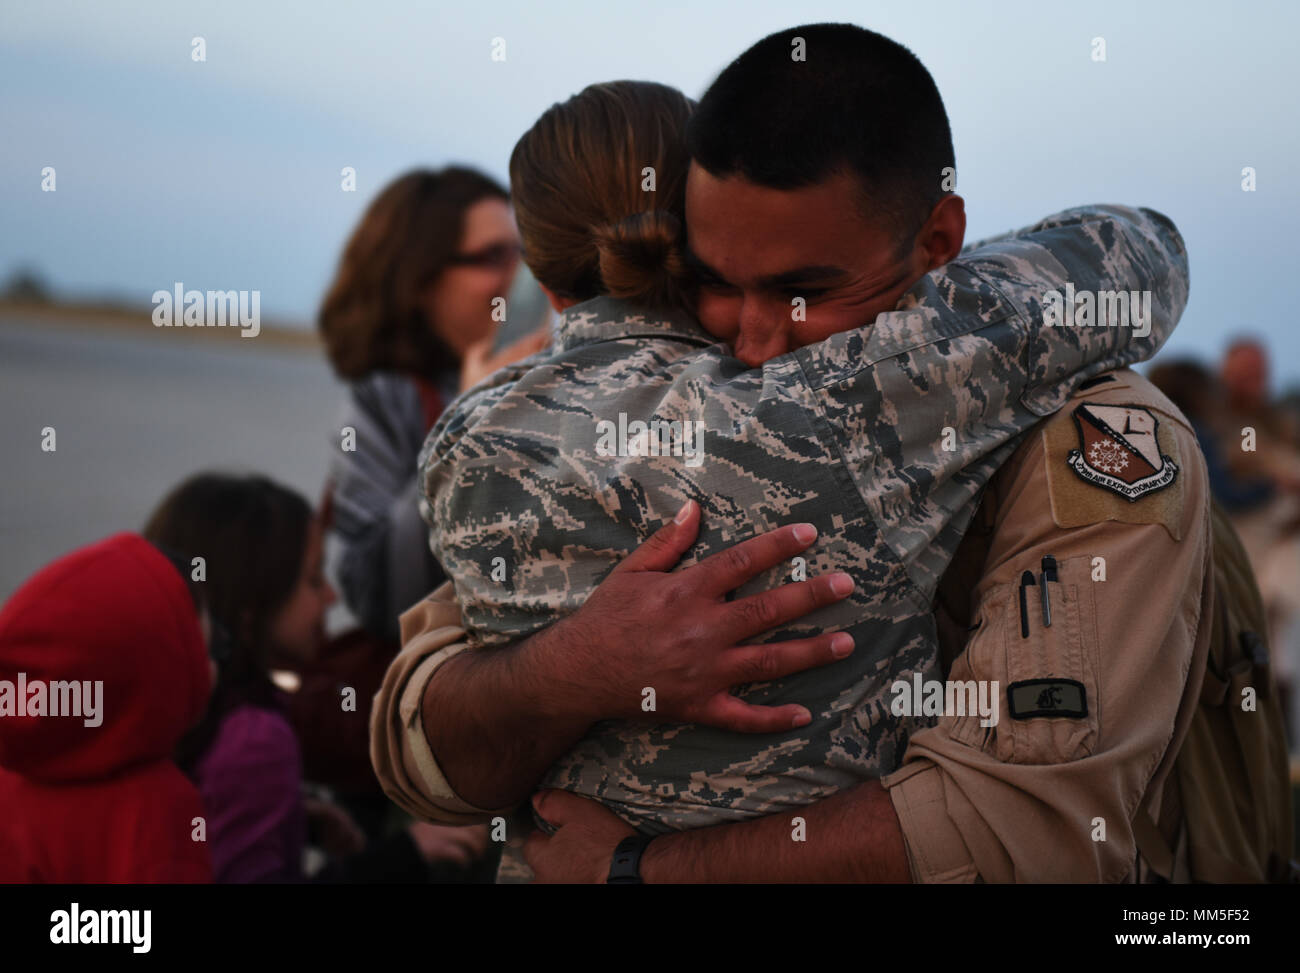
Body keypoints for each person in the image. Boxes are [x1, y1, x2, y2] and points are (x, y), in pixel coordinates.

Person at [372, 24, 1204, 883]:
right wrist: (578, 667)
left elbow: (1032, 826)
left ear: (938, 243)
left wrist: (635, 868)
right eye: (717, 282)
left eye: (804, 290)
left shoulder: (470, 439)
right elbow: (419, 743)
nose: (758, 343)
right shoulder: (809, 399)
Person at [146, 472, 491, 882]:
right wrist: (406, 854)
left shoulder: (168, 716)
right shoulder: (255, 742)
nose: (331, 597)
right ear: (252, 607)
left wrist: (295, 817)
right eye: (313, 579)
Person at [318, 167, 543, 644]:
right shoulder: (382, 400)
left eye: (524, 253)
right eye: (493, 256)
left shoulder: (553, 378)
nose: (522, 275)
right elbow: (380, 594)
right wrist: (472, 418)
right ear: (420, 282)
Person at [0, 533, 214, 883]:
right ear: (158, 675)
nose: (214, 669)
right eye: (201, 654)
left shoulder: (10, 785)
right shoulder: (160, 807)